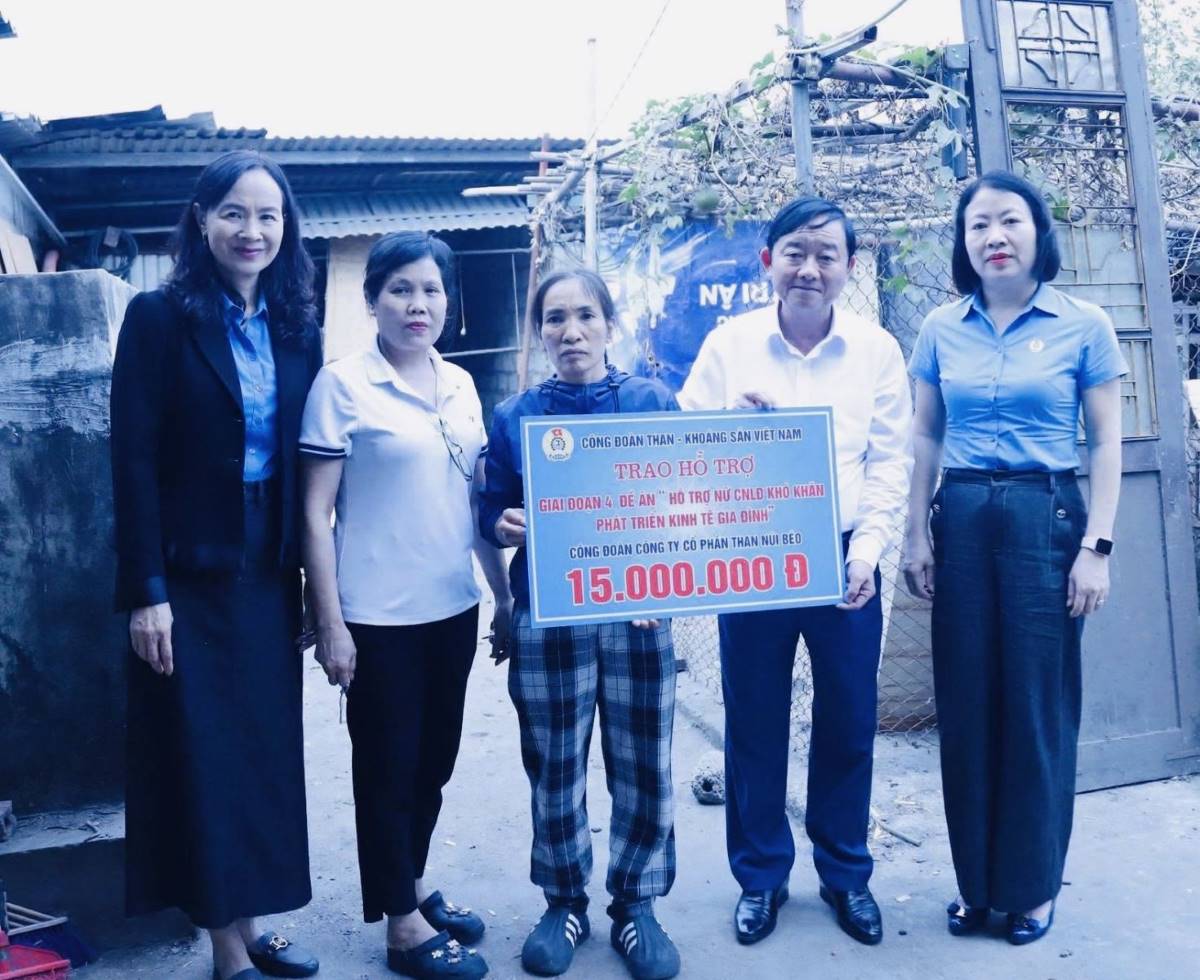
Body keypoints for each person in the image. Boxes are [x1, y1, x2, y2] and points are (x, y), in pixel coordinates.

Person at [677, 196, 912, 948]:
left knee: (848, 719)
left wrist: (867, 553)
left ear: (848, 267)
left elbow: (889, 463)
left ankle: (845, 874)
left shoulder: (876, 351)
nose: (810, 268)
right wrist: (731, 428)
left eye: (827, 255)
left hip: (846, 555)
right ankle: (761, 877)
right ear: (767, 260)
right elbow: (686, 441)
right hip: (754, 554)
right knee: (755, 722)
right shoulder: (729, 345)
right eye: (796, 253)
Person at [111, 150, 323, 980]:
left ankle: (252, 920)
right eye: (234, 212)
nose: (253, 230)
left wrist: (313, 580)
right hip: (187, 574)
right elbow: (131, 461)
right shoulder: (159, 318)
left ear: (287, 228)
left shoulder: (296, 323)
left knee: (263, 755)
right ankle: (226, 948)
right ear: (202, 221)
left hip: (268, 566)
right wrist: (145, 595)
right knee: (204, 755)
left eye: (269, 216)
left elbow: (308, 459)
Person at [903, 171, 1124, 945]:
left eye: (1009, 222)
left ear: (1037, 233)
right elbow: (926, 434)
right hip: (960, 515)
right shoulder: (940, 328)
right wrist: (913, 530)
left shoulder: (1083, 324)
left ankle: (1029, 887)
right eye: (977, 226)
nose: (994, 237)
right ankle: (978, 886)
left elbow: (1103, 442)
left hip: (1045, 516)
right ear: (963, 244)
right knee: (965, 707)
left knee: (1034, 706)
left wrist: (1095, 548)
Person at [299, 231, 510, 980]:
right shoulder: (344, 386)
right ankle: (401, 928)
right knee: (386, 772)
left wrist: (505, 596)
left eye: (431, 291)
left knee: (434, 765)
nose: (417, 305)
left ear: (448, 304)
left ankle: (412, 888)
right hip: (376, 619)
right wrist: (330, 624)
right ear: (372, 300)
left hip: (451, 608)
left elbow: (475, 502)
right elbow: (314, 516)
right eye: (401, 290)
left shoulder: (459, 385)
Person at [479, 269, 681, 980]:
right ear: (540, 330)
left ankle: (636, 903)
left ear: (609, 323)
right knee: (555, 765)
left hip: (639, 610)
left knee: (644, 760)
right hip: (550, 611)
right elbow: (491, 507)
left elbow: (688, 498)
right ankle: (563, 900)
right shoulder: (515, 416)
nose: (571, 332)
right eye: (556, 318)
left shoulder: (653, 403)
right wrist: (500, 521)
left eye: (586, 316)